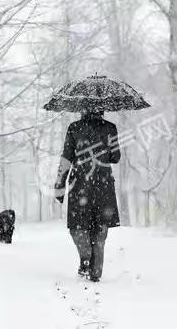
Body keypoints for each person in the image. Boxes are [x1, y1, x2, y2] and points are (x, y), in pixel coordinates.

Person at [54, 110, 121, 282]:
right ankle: (96, 271)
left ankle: (85, 257)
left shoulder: (74, 128)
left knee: (78, 226)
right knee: (100, 228)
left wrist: (59, 185)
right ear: (102, 108)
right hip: (103, 184)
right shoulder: (110, 128)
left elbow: (66, 158)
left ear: (82, 108)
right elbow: (115, 157)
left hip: (80, 184)